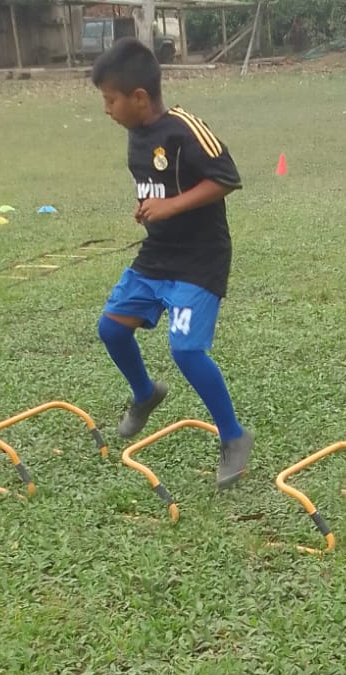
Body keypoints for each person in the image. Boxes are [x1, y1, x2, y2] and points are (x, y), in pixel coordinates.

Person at [90, 37, 252, 488]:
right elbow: (158, 186)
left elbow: (227, 178)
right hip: (157, 255)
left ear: (139, 97)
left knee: (185, 350)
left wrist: (170, 206)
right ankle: (145, 393)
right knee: (111, 329)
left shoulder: (186, 129)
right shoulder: (135, 135)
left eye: (111, 100)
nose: (107, 109)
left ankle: (234, 436)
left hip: (200, 260)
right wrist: (148, 206)